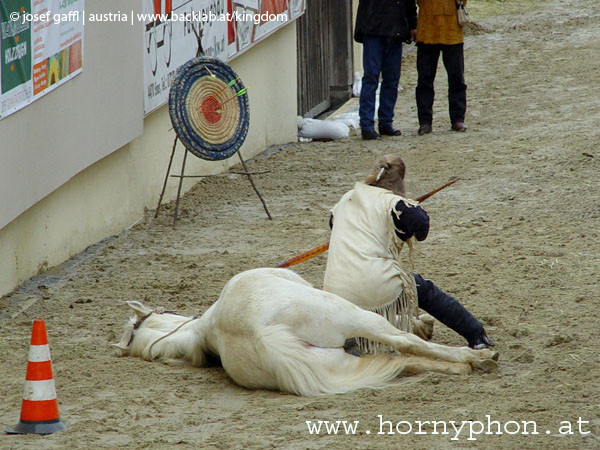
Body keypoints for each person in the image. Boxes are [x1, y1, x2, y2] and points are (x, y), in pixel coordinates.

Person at [323, 154, 493, 354]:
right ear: (401, 180)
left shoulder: (346, 197)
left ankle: (354, 336)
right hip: (373, 283)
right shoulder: (395, 203)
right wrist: (408, 204)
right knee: (422, 289)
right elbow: (421, 227)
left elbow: (334, 225)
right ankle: (475, 334)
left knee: (368, 290)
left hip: (333, 289)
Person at [354, 0, 417, 140]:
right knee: (371, 78)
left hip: (395, 31)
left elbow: (410, 3)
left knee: (391, 80)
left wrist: (413, 25)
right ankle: (367, 125)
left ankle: (385, 122)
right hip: (373, 29)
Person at [414, 0, 468, 135]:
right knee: (425, 79)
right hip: (427, 30)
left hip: (452, 31)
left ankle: (457, 118)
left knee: (456, 78)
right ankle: (425, 122)